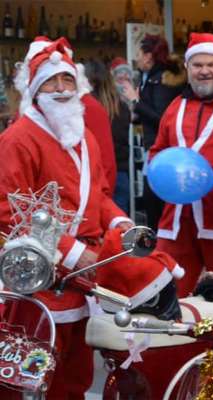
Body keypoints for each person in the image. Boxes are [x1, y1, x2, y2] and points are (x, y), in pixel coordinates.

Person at [0, 39, 133, 399]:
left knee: (75, 374)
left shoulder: (83, 136)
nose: (60, 90)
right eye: (50, 82)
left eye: (67, 81)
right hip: (40, 279)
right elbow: (11, 213)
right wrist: (72, 253)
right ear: (33, 89)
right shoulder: (18, 140)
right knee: (29, 376)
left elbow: (99, 196)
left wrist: (121, 223)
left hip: (82, 278)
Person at [150, 33, 213, 297]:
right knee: (166, 294)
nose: (204, 71)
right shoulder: (176, 106)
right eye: (197, 65)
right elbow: (157, 153)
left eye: (212, 64)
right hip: (177, 220)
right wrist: (160, 174)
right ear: (187, 67)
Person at [13, 36, 117, 194]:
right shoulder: (27, 114)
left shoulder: (89, 108)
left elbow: (105, 166)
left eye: (65, 79)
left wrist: (99, 210)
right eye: (49, 79)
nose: (60, 87)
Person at [121, 34, 186, 230]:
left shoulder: (162, 80)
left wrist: (135, 101)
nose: (136, 58)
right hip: (154, 147)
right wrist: (137, 113)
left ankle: (159, 242)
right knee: (151, 198)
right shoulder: (148, 78)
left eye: (139, 54)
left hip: (163, 149)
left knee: (154, 199)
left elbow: (161, 118)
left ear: (148, 56)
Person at [85, 59, 132, 215]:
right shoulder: (121, 106)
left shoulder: (85, 108)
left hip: (96, 175)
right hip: (121, 171)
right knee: (120, 225)